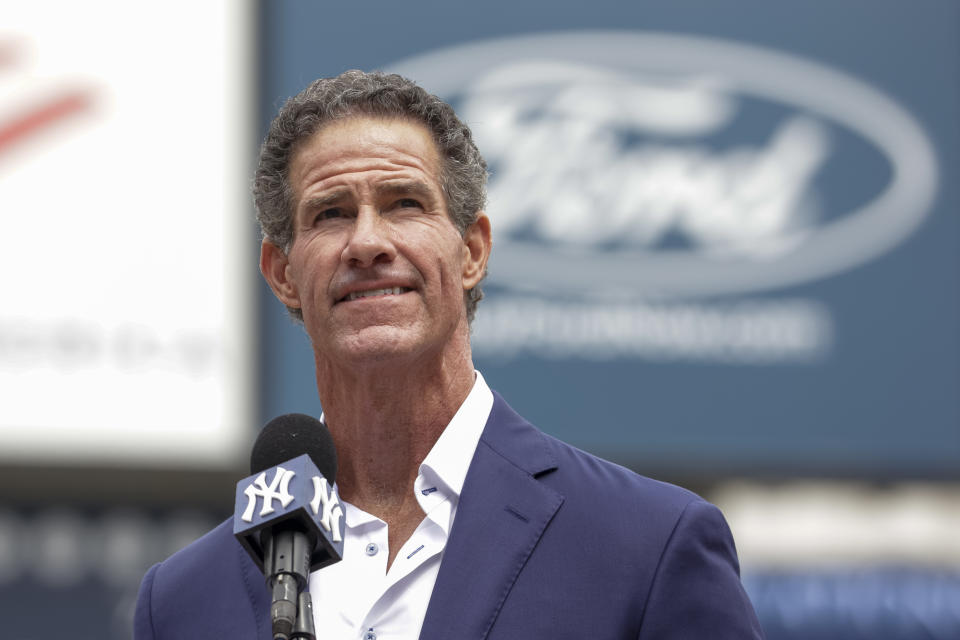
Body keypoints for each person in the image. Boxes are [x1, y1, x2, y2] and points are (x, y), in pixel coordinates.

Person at [134, 70, 764, 639]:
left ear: (472, 251)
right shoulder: (184, 599)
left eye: (405, 204)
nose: (367, 242)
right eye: (330, 213)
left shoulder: (648, 544)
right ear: (282, 274)